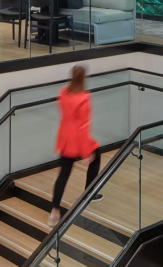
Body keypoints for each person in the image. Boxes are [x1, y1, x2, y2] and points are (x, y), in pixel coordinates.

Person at [48, 65, 102, 226]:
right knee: (96, 156)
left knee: (63, 174)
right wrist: (86, 153)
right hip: (78, 139)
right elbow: (83, 126)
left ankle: (54, 211)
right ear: (84, 78)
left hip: (65, 137)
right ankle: (89, 194)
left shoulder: (63, 92)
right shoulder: (84, 98)